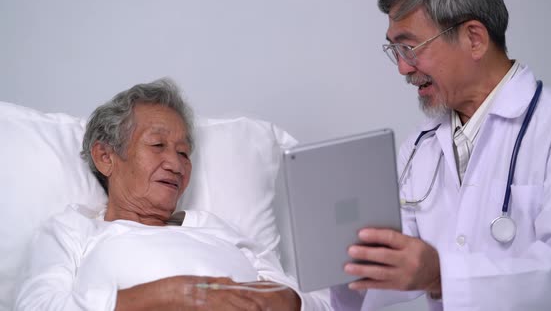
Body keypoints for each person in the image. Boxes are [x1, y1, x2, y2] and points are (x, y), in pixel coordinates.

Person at [330, 0, 551, 310]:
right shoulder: (419, 147)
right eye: (394, 50)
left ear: (474, 39)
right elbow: (398, 267)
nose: (402, 68)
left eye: (409, 47)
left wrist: (441, 275)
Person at [15, 79, 330, 310]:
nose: (177, 164)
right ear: (105, 157)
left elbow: (314, 301)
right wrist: (171, 294)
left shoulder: (217, 229)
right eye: (157, 145)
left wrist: (287, 301)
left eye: (184, 153)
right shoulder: (74, 230)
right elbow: (37, 305)